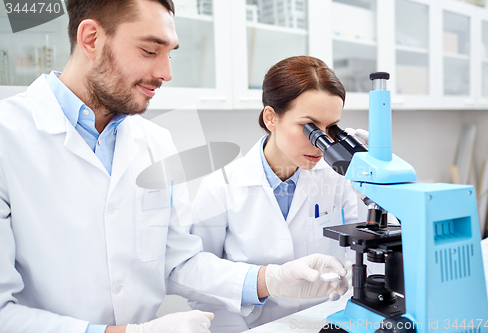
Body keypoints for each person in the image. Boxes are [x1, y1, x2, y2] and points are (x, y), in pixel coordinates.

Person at [0, 2, 350, 333]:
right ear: (91, 38)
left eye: (170, 53)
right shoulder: (8, 136)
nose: (166, 72)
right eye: (150, 51)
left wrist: (270, 280)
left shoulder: (156, 142)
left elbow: (179, 261)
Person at [189, 56, 368, 332]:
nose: (321, 144)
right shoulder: (220, 186)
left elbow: (357, 252)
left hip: (323, 322)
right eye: (309, 127)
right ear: (271, 118)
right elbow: (196, 275)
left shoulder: (338, 180)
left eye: (330, 129)